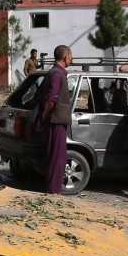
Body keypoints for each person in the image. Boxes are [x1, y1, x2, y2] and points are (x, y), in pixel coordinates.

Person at [35, 45, 73, 194]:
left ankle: (53, 189)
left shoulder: (55, 72)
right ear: (66, 57)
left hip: (56, 120)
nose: (71, 59)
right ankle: (53, 191)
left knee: (57, 157)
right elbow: (51, 99)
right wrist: (44, 116)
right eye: (71, 56)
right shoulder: (57, 74)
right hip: (55, 121)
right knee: (57, 158)